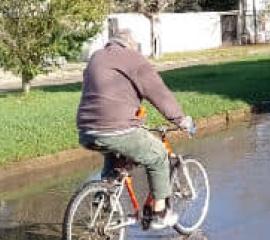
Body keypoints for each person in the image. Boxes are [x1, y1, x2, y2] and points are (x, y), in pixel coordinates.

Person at [76, 29, 195, 229]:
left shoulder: (96, 57)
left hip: (87, 129)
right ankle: (160, 213)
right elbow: (158, 93)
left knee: (117, 156)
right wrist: (180, 120)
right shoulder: (132, 58)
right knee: (157, 154)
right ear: (131, 45)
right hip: (116, 127)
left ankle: (104, 197)